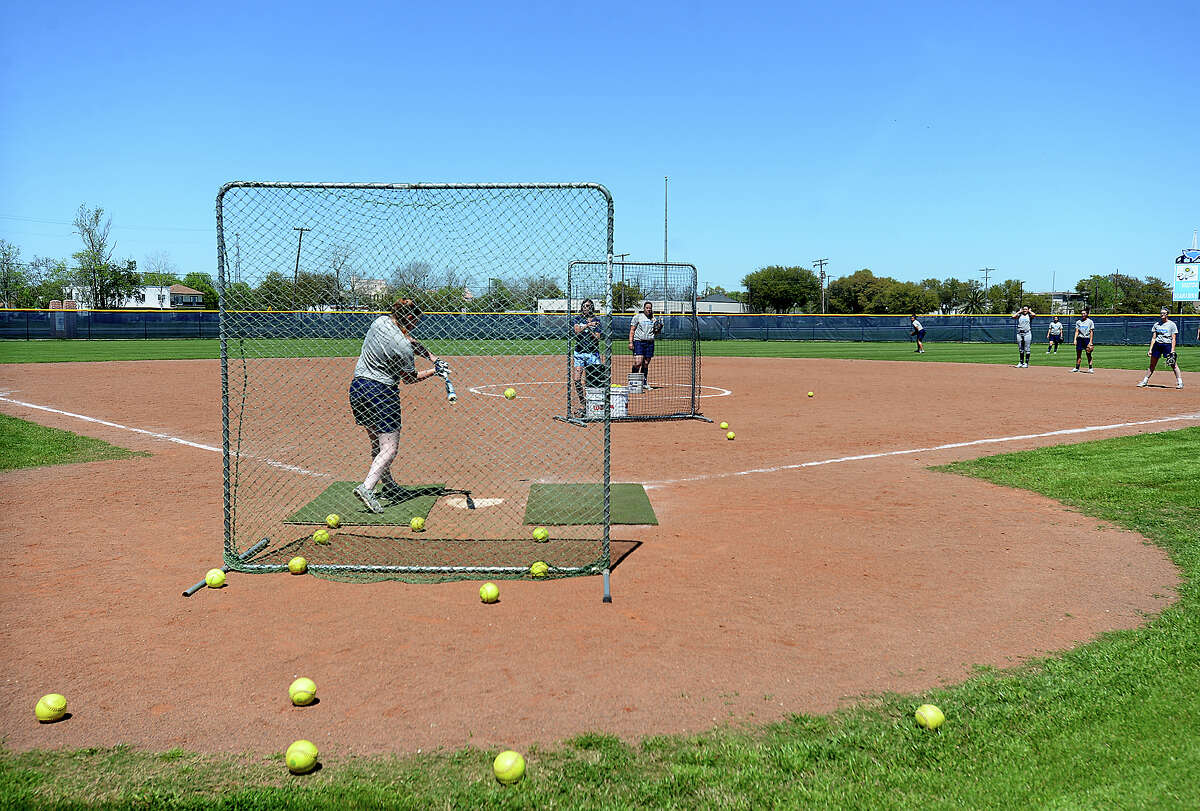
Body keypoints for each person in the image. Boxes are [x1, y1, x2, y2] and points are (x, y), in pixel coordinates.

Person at [348, 298, 449, 513]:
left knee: (376, 442)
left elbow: (409, 339)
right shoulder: (402, 348)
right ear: (409, 317)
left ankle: (389, 485)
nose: (416, 325)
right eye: (415, 321)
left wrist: (432, 357)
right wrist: (436, 371)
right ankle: (366, 488)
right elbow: (410, 379)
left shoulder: (381, 322)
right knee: (390, 448)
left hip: (358, 388)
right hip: (382, 393)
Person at [571, 299, 603, 416]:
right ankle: (583, 403)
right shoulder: (577, 319)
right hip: (579, 353)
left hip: (592, 353)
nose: (586, 308)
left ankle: (595, 405)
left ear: (592, 307)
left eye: (588, 306)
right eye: (584, 306)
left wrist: (590, 329)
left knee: (595, 380)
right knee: (576, 379)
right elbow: (577, 331)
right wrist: (588, 325)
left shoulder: (597, 320)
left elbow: (597, 338)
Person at [1137, 308, 1183, 389]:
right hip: (1157, 345)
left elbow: (1174, 339)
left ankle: (1180, 382)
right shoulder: (1156, 324)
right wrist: (1150, 349)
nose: (1162, 314)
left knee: (1173, 364)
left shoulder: (1172, 325)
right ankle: (1144, 381)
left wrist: (1172, 350)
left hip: (1167, 345)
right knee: (1152, 364)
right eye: (1161, 313)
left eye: (1164, 313)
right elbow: (1153, 338)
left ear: (1167, 314)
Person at [629, 301, 663, 387]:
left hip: (650, 342)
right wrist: (630, 342)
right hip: (639, 341)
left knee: (646, 363)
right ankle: (633, 380)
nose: (649, 309)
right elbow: (632, 330)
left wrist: (659, 328)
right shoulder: (638, 317)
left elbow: (656, 333)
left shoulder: (653, 319)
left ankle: (644, 382)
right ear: (644, 308)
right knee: (638, 362)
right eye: (647, 308)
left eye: (650, 308)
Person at [1071, 308, 1096, 373]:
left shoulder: (1090, 322)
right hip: (1080, 339)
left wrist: (1090, 342)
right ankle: (1077, 367)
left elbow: (1091, 332)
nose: (1083, 314)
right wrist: (1075, 340)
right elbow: (1077, 331)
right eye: (1082, 313)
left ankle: (1090, 368)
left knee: (1088, 354)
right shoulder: (1078, 322)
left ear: (1087, 314)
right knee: (1078, 354)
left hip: (1087, 339)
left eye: (1084, 313)